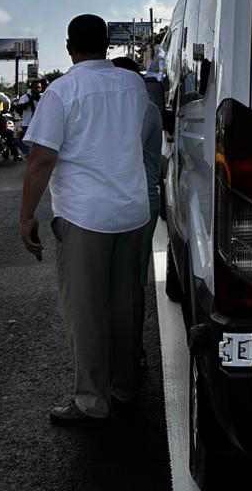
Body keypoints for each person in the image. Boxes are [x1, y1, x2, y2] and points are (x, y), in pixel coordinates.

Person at [18, 15, 151, 426]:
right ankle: (125, 386)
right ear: (107, 44)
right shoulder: (133, 85)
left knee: (87, 311)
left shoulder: (62, 90)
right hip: (133, 212)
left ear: (69, 46)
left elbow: (41, 159)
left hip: (85, 216)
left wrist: (26, 216)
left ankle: (92, 401)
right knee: (127, 304)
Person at [110, 56, 163, 374]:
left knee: (130, 285)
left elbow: (121, 149)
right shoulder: (132, 109)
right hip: (123, 200)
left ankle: (132, 351)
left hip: (140, 202)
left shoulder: (143, 110)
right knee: (120, 283)